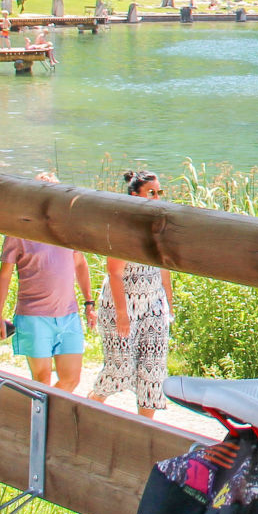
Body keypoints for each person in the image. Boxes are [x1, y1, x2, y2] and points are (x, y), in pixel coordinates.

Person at [90, 169, 175, 418]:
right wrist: (122, 313)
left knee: (153, 373)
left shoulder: (161, 227)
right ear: (134, 195)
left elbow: (164, 268)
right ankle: (85, 409)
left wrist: (168, 303)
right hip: (122, 304)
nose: (156, 197)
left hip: (153, 305)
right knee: (120, 369)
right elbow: (114, 271)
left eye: (159, 193)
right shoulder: (123, 228)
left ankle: (144, 430)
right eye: (151, 193)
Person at [0, 198, 96, 392]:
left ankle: (43, 416)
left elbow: (80, 264)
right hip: (34, 316)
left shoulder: (67, 230)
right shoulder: (18, 233)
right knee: (42, 380)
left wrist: (89, 302)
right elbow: (5, 275)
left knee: (71, 379)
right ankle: (39, 419)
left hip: (68, 315)